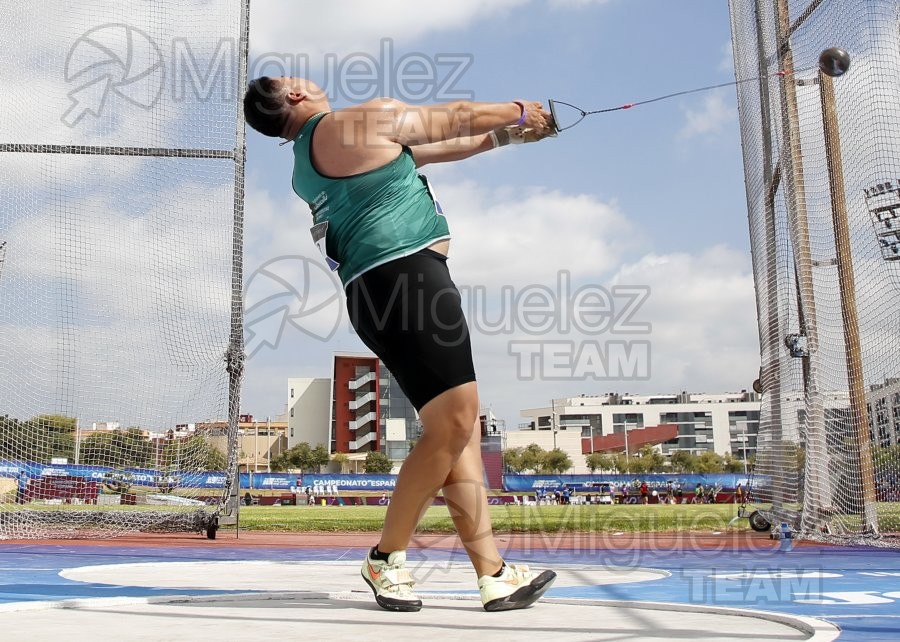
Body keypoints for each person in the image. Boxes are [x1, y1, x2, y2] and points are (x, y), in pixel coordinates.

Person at [244, 77, 557, 613]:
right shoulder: (349, 123)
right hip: (406, 280)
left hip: (374, 294)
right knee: (458, 422)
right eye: (294, 78)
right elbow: (455, 115)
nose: (306, 79)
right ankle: (385, 557)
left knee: (452, 431)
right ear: (292, 97)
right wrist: (521, 109)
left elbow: (439, 146)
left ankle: (494, 574)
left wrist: (513, 135)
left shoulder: (317, 154)